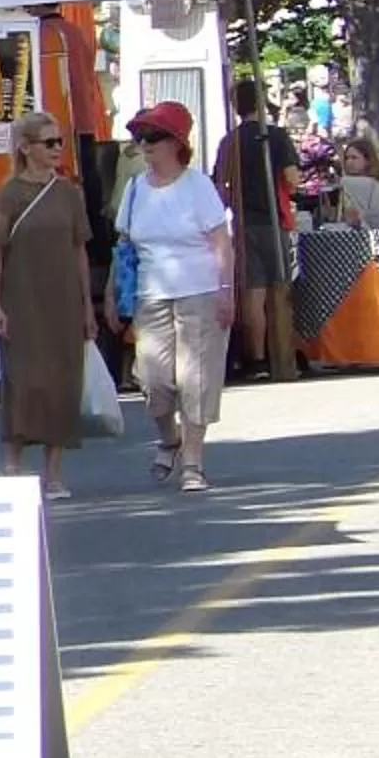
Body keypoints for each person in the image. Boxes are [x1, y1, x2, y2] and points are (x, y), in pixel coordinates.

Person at [105, 102, 235, 493]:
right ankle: (169, 437)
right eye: (141, 137)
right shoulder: (134, 189)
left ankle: (193, 462)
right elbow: (123, 245)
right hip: (151, 294)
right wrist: (111, 294)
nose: (145, 145)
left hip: (199, 291)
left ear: (176, 143)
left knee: (195, 378)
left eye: (153, 137)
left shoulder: (197, 186)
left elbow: (220, 242)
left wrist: (226, 291)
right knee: (153, 380)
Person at [0, 112, 97, 497]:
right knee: (23, 379)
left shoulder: (68, 193)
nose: (56, 150)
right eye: (48, 143)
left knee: (62, 381)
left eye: (58, 142)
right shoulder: (9, 194)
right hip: (22, 297)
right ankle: (14, 464)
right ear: (25, 147)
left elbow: (79, 250)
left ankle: (54, 472)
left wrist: (88, 305)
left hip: (62, 298)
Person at [213, 77, 302, 373]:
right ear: (261, 101)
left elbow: (221, 188)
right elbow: (292, 178)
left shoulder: (230, 141)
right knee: (279, 288)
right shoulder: (275, 136)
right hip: (274, 218)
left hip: (243, 221)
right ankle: (283, 356)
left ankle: (257, 357)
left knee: (253, 291)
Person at [333, 135, 379, 233]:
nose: (349, 162)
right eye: (347, 158)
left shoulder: (349, 182)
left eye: (354, 158)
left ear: (368, 161)